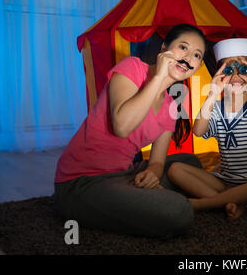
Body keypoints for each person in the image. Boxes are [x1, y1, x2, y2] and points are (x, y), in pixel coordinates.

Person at [54, 24, 207, 238]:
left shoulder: (172, 106)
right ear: (164, 48)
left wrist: (151, 175)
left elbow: (157, 162)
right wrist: (159, 78)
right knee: (179, 212)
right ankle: (158, 201)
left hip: (124, 174)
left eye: (197, 55)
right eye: (183, 47)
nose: (188, 57)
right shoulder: (132, 67)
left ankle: (137, 195)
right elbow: (122, 126)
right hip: (81, 182)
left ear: (197, 66)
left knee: (190, 162)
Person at [167, 38, 247, 219]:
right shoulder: (216, 108)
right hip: (227, 182)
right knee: (175, 169)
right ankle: (233, 202)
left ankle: (203, 203)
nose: (237, 76)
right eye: (229, 71)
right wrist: (213, 93)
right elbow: (198, 131)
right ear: (220, 75)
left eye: (244, 70)